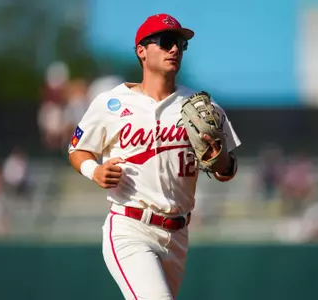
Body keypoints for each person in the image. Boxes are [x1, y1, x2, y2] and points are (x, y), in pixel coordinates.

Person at [68, 13, 241, 299]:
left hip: (178, 234)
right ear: (141, 51)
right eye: (166, 41)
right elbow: (77, 149)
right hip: (130, 226)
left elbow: (228, 169)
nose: (174, 49)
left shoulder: (201, 107)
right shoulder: (111, 103)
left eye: (180, 44)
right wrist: (94, 171)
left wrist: (220, 159)